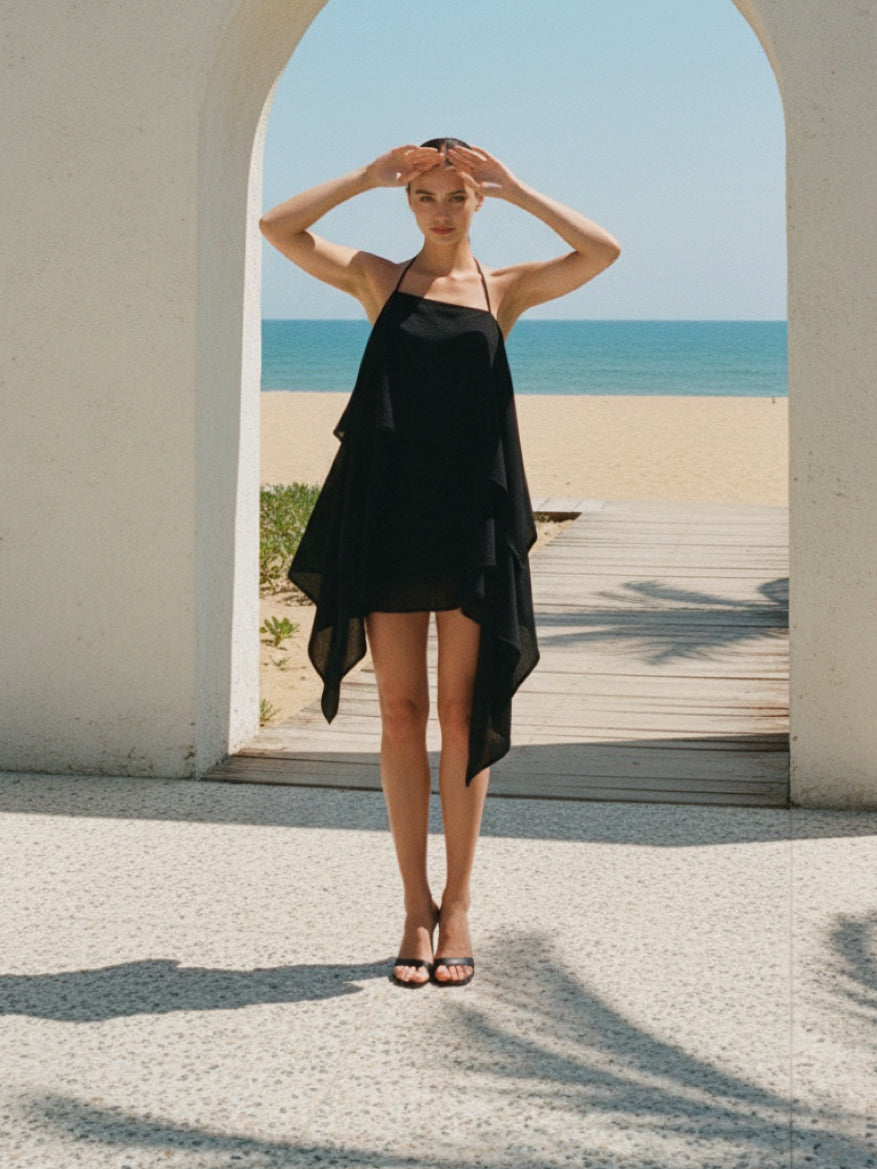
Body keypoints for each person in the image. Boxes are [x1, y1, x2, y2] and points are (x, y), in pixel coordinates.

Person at [260, 140, 620, 988]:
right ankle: (412, 906)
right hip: (389, 514)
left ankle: (457, 904)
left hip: (467, 521)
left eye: (456, 195)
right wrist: (363, 176)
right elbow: (277, 228)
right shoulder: (379, 279)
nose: (441, 211)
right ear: (407, 202)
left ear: (477, 200)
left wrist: (517, 186)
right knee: (398, 712)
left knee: (460, 713)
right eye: (424, 196)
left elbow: (600, 251)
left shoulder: (503, 289)